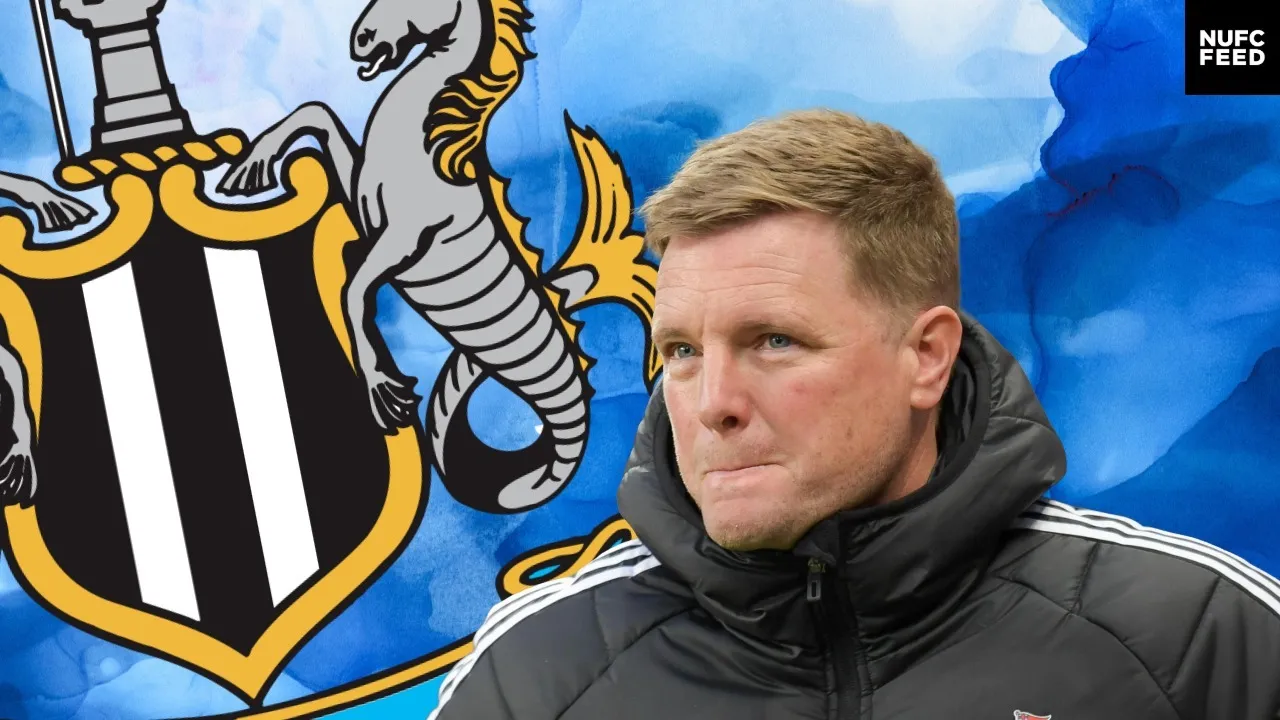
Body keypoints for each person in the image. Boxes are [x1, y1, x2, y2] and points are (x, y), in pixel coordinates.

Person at [427, 109, 1280, 719]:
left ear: (927, 356)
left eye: (774, 341)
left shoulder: (1197, 641)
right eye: (681, 351)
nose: (712, 404)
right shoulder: (536, 677)